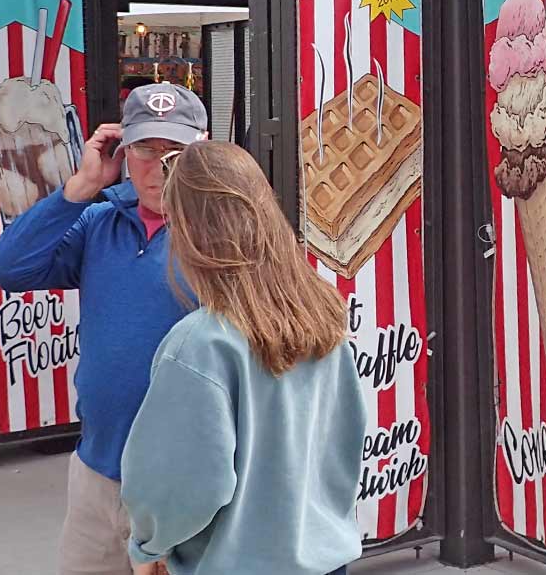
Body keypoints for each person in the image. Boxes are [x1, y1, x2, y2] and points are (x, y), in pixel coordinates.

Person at [0, 83, 208, 575]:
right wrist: (79, 188)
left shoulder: (221, 232)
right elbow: (8, 268)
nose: (158, 166)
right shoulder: (98, 222)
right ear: (122, 152)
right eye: (146, 150)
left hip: (184, 475)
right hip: (98, 468)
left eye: (175, 152)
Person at [119, 142, 365, 575]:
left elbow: (180, 486)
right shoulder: (323, 315)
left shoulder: (197, 345)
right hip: (327, 560)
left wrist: (148, 547)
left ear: (189, 229)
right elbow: (347, 444)